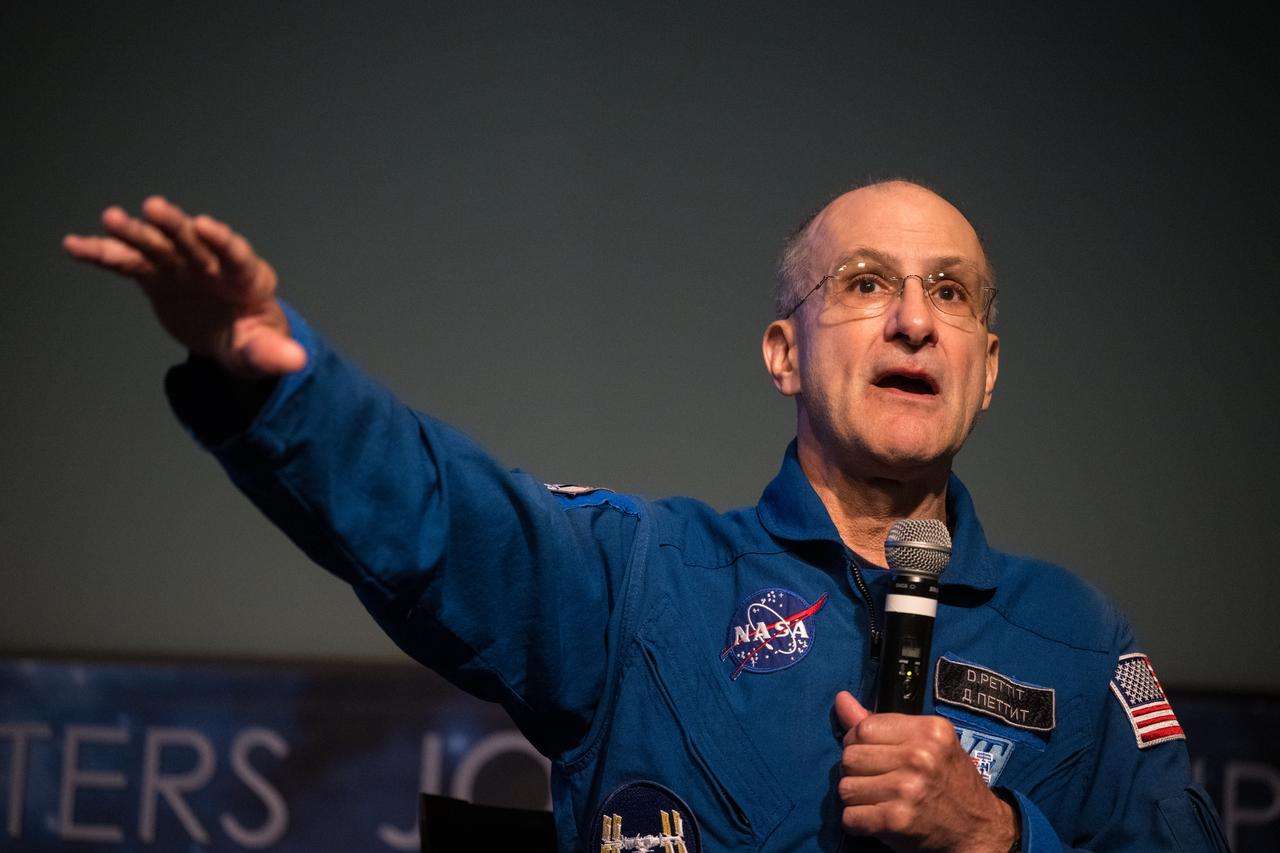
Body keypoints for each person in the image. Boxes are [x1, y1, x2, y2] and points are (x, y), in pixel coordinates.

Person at [64, 181, 1227, 851]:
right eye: (865, 284)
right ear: (783, 350)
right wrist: (287, 383)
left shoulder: (1077, 640)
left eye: (950, 294)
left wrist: (996, 838)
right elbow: (438, 517)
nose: (913, 321)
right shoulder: (643, 577)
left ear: (985, 369)